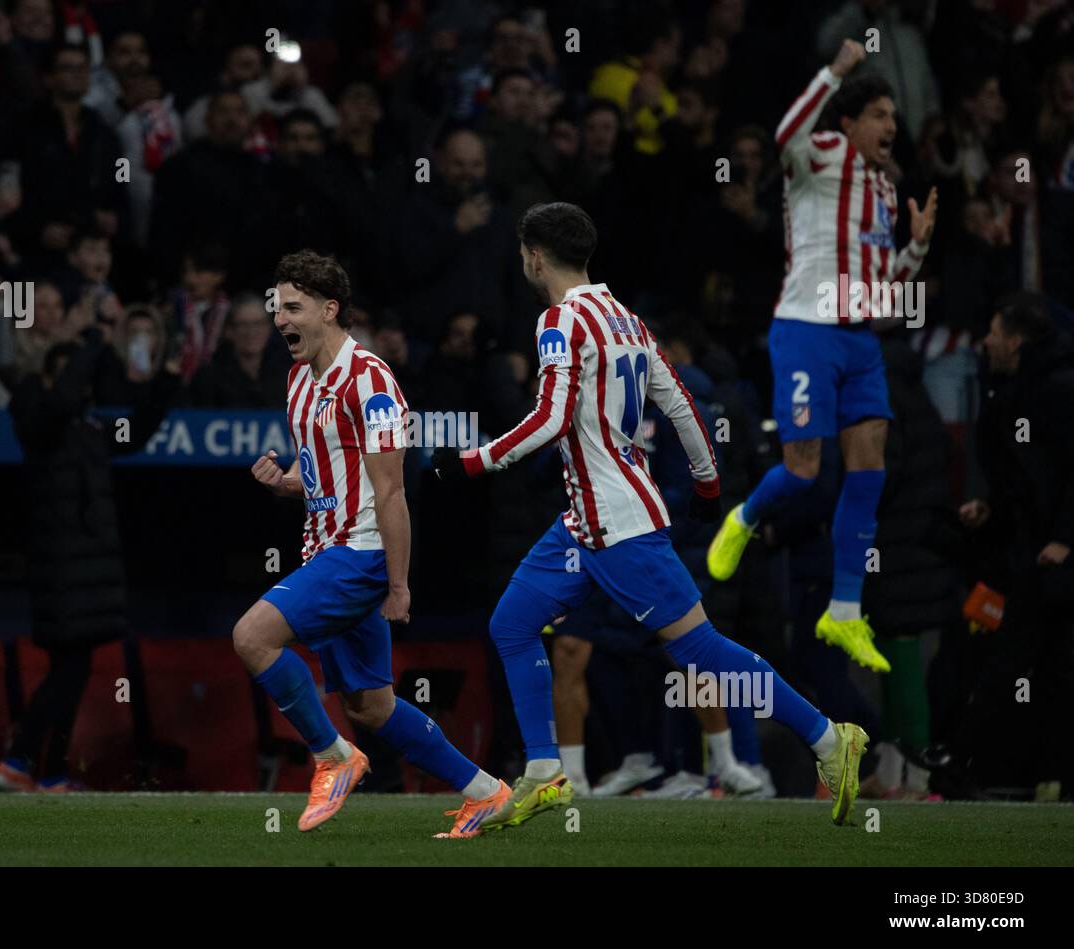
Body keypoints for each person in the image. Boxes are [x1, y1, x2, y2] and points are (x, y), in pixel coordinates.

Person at [432, 202, 868, 829]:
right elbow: (680, 402)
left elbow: (552, 419)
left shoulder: (559, 321)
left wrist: (471, 462)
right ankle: (545, 772)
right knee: (512, 624)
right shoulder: (627, 320)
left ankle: (830, 739)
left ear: (533, 255)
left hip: (617, 524)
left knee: (699, 647)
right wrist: (708, 483)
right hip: (583, 523)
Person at [233, 250, 509, 838]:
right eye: (276, 306)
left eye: (292, 307)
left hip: (361, 553)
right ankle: (486, 792)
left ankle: (332, 756)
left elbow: (391, 493)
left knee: (252, 637)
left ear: (330, 310)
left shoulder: (373, 383)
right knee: (370, 706)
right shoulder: (297, 379)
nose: (280, 318)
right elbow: (329, 476)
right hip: (325, 546)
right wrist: (288, 485)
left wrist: (400, 585)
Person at [706, 40, 938, 673]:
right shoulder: (822, 156)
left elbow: (883, 288)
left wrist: (914, 251)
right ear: (850, 122)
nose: (892, 127)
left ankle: (843, 610)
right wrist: (836, 70)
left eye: (895, 117)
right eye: (881, 115)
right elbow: (785, 133)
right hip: (805, 329)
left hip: (860, 339)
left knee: (870, 468)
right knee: (804, 470)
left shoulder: (886, 194)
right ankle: (745, 516)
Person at [0, 310, 178, 792]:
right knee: (68, 671)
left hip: (89, 578)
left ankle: (49, 772)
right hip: (61, 574)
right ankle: (16, 762)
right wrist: (93, 340)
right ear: (53, 377)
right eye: (73, 374)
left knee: (72, 672)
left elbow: (134, 433)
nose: (83, 386)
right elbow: (60, 402)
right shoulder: (39, 419)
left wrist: (166, 383)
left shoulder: (89, 428)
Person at [959, 292, 1074, 800]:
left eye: (995, 331)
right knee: (1028, 662)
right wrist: (991, 509)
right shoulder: (1008, 392)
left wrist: (1066, 538)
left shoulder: (1056, 390)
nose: (986, 340)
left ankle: (974, 768)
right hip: (1027, 550)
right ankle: (1019, 773)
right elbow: (1020, 478)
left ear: (1018, 341)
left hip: (1055, 557)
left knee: (1043, 663)